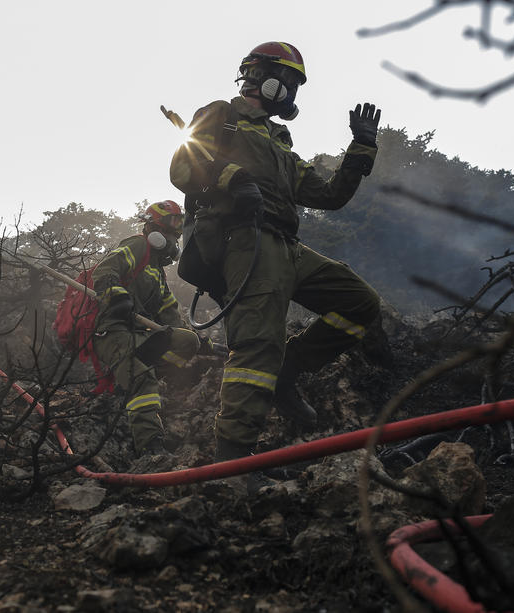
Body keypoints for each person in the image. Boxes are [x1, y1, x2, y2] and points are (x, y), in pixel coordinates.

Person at [169, 41, 383, 464]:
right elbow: (182, 166)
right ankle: (232, 463)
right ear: (260, 75)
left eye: (295, 85)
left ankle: (290, 369)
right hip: (246, 240)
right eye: (287, 80)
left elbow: (329, 195)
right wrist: (233, 178)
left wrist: (361, 147)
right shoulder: (222, 116)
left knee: (360, 303)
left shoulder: (280, 142)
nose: (290, 92)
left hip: (287, 245)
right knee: (257, 346)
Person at [91, 200, 202, 456]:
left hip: (139, 336)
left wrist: (201, 341)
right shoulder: (138, 245)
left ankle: (132, 378)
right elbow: (104, 271)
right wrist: (118, 297)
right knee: (142, 379)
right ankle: (150, 446)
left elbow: (170, 313)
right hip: (112, 331)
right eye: (170, 231)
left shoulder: (156, 270)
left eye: (177, 233)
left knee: (188, 342)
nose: (174, 240)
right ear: (155, 231)